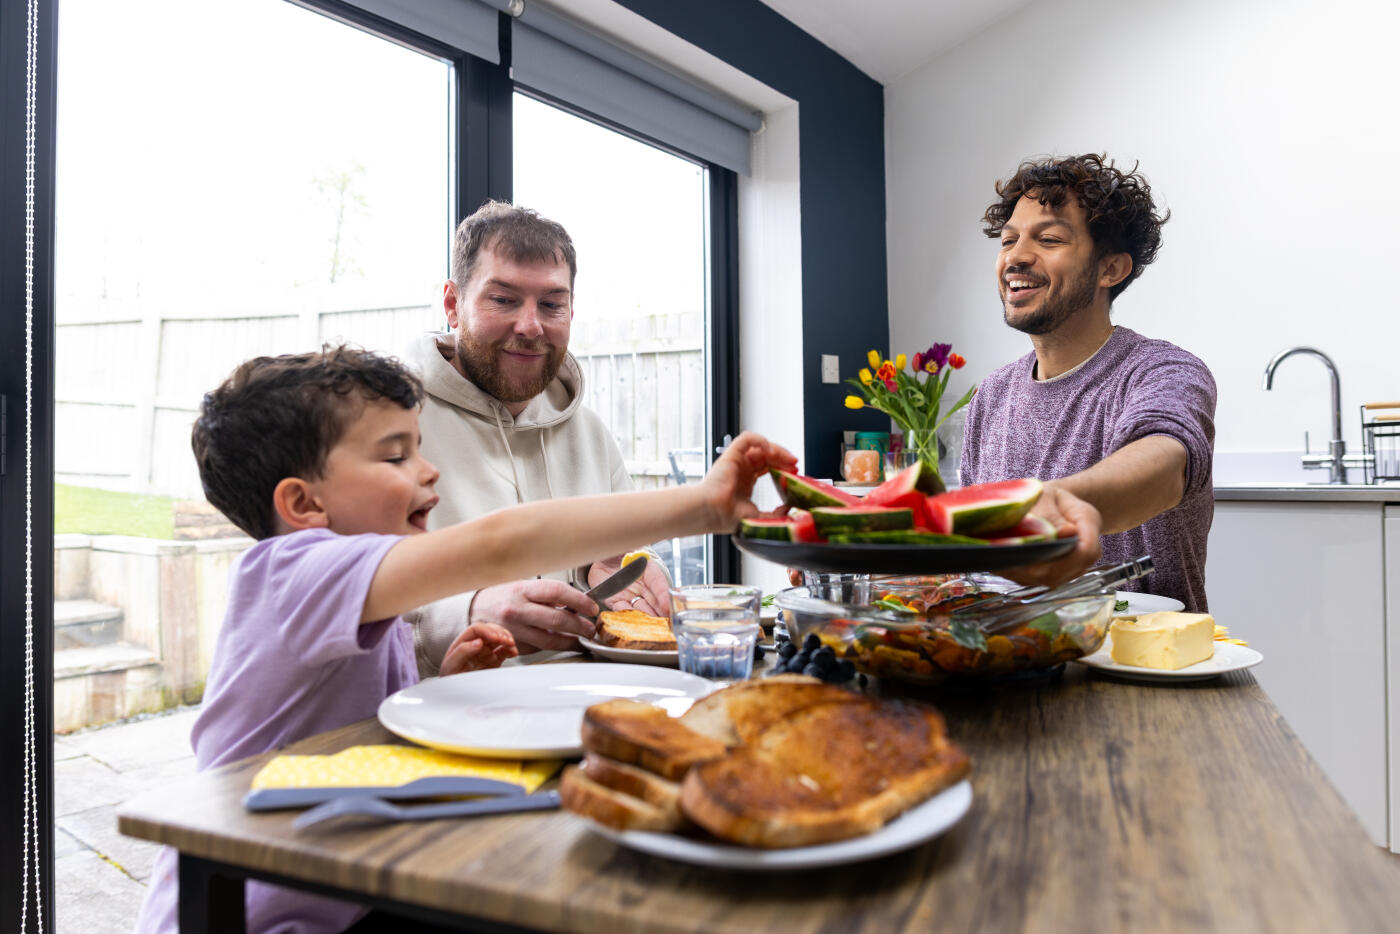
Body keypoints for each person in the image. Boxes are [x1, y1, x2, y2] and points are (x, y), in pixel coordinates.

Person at [134, 345, 795, 934]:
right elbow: (502, 542)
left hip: (346, 884)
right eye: (396, 454)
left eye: (419, 447)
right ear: (304, 506)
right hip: (250, 906)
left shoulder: (356, 587)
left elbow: (347, 728)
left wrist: (444, 679)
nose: (429, 472)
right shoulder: (291, 571)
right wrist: (704, 506)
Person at [400, 200, 675, 672]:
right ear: (452, 304)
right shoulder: (389, 429)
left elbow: (624, 556)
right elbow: (335, 608)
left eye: (551, 304)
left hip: (584, 706)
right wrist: (463, 617)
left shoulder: (589, 432)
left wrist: (636, 565)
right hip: (440, 719)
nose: (530, 326)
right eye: (503, 299)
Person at [962, 153, 1216, 611]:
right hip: (1006, 657)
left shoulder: (1161, 370)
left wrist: (1054, 503)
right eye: (1008, 240)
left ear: (1110, 269)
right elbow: (970, 555)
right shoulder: (990, 396)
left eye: (1050, 238)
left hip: (1142, 667)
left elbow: (1163, 459)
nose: (1016, 257)